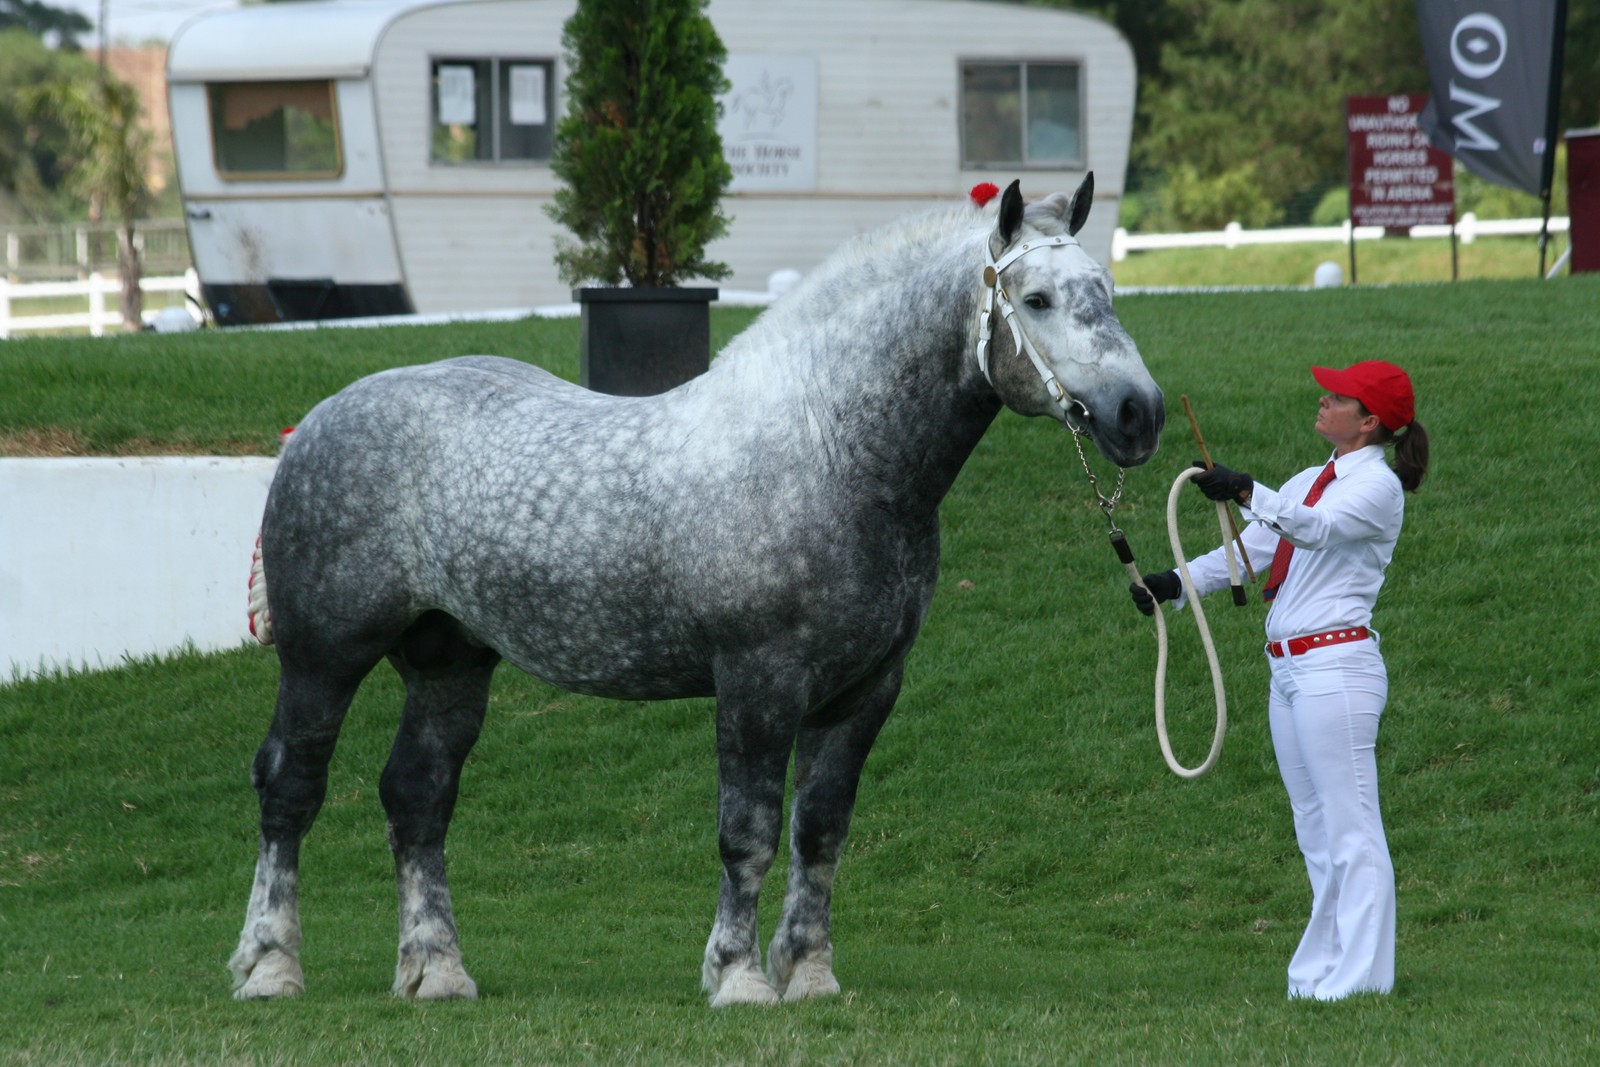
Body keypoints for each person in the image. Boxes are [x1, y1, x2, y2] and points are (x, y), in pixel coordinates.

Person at [1130, 360, 1430, 1001]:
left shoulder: (1376, 487)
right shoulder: (1310, 479)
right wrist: (1175, 583)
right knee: (1315, 830)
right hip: (1290, 671)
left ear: (1369, 421)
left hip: (1336, 669)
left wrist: (1246, 493)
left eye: (1338, 396)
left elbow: (1314, 530)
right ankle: (1320, 978)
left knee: (1351, 828)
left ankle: (1363, 981)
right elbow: (1253, 553)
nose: (1323, 399)